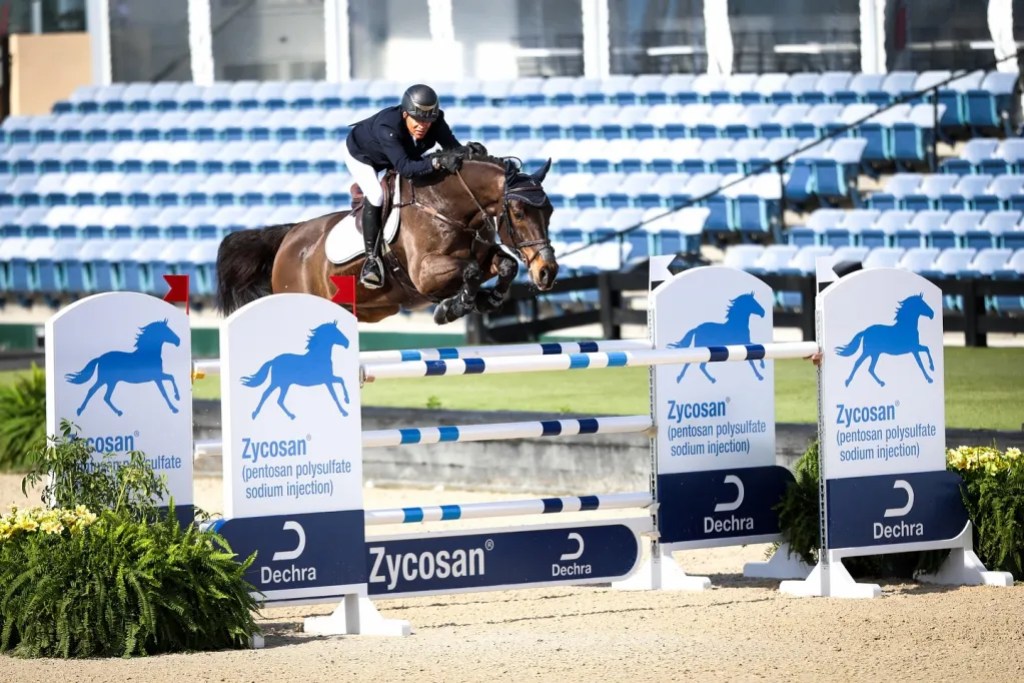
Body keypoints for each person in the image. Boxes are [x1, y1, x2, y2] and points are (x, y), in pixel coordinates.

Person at [343, 84, 467, 289]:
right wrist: (437, 162)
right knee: (376, 195)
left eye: (427, 120)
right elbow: (406, 168)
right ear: (404, 114)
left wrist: (468, 153)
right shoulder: (388, 128)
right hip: (362, 155)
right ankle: (372, 261)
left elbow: (453, 148)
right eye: (417, 119)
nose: (423, 125)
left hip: (396, 155)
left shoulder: (435, 121)